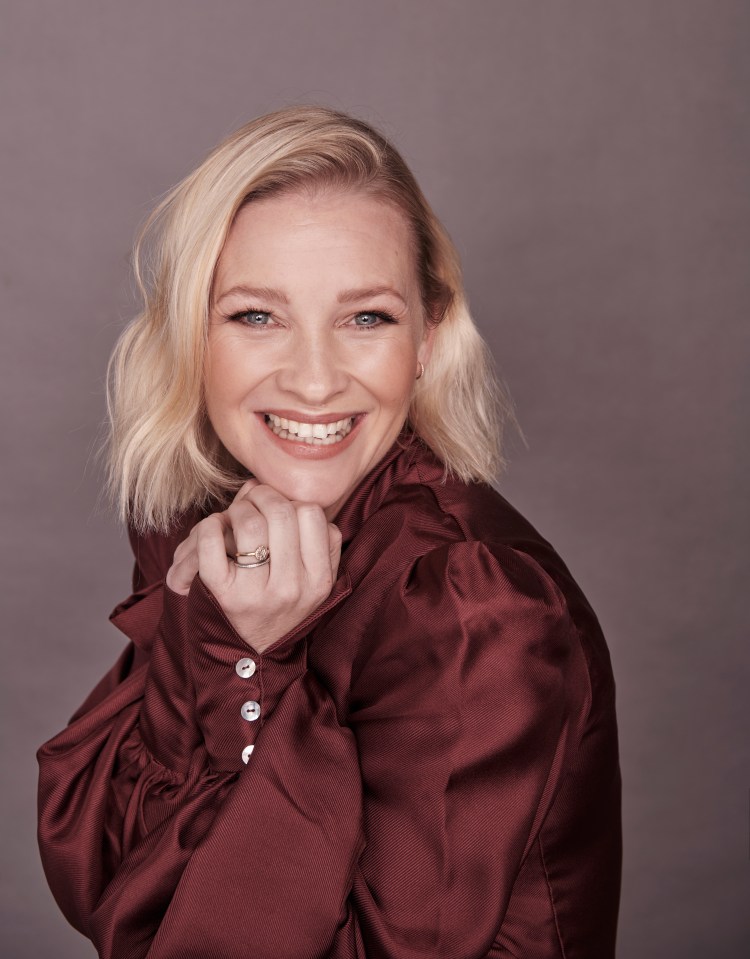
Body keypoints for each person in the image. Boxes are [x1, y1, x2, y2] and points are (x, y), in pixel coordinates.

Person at [37, 106, 621, 959]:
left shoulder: (476, 609)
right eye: (256, 316)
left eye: (367, 318)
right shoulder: (215, 531)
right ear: (191, 335)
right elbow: (115, 880)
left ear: (428, 336)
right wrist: (227, 647)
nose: (314, 380)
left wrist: (256, 674)